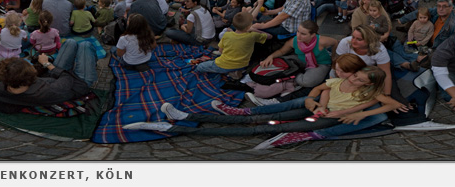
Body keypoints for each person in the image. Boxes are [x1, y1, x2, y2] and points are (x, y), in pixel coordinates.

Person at [124, 58, 401, 148]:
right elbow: (324, 88)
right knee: (256, 118)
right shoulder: (341, 80)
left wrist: (355, 111)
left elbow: (387, 105)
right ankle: (183, 117)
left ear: (364, 81)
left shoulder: (366, 91)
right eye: (349, 75)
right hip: (315, 109)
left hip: (321, 119)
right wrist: (318, 103)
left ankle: (175, 128)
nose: (348, 78)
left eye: (354, 77)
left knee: (258, 126)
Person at [249, 20, 338, 102]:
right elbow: (282, 51)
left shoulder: (322, 41)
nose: (298, 35)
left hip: (320, 63)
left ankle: (289, 80)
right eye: (298, 31)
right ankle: (289, 79)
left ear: (313, 35)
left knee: (307, 82)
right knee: (275, 63)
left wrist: (334, 57)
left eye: (303, 34)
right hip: (300, 59)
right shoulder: (294, 40)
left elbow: (335, 42)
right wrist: (270, 57)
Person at [0, 53, 94, 114]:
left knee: (71, 43)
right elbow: (67, 77)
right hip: (78, 84)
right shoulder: (49, 90)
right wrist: (46, 63)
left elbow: (7, 109)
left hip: (53, 78)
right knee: (85, 46)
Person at [195, 11, 266, 75]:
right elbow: (269, 36)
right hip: (243, 64)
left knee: (200, 67)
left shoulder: (227, 35)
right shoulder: (253, 36)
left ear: (233, 24)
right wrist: (255, 30)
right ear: (249, 26)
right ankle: (236, 72)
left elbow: (221, 51)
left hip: (224, 64)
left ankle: (231, 72)